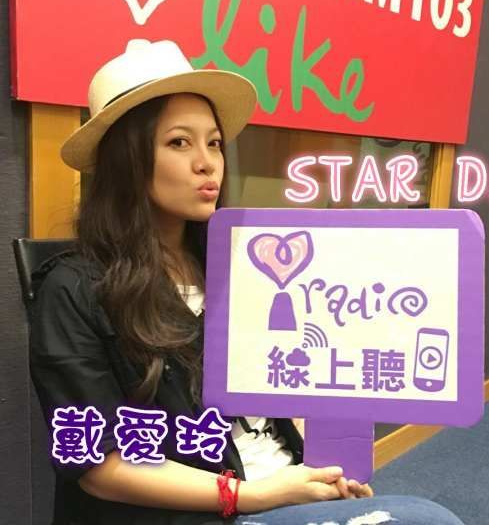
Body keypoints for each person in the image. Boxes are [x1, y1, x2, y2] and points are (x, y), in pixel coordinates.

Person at [30, 39, 466, 525]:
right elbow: (97, 466)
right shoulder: (72, 289)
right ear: (126, 160)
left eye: (214, 143)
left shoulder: (236, 264)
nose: (207, 162)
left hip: (277, 485)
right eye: (179, 143)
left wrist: (321, 471)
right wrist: (248, 495)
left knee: (422, 516)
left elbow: (278, 391)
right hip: (201, 510)